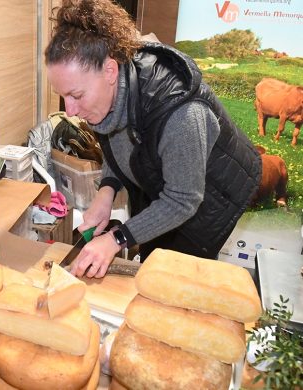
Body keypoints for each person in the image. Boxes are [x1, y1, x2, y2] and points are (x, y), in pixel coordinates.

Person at [44, 0, 262, 278]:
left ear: (110, 71)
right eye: (62, 96)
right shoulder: (108, 88)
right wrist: (106, 191)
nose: (70, 109)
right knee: (151, 256)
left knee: (176, 274)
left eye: (76, 95)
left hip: (211, 193)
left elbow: (183, 199)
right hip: (165, 181)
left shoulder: (181, 113)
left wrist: (116, 239)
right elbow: (118, 142)